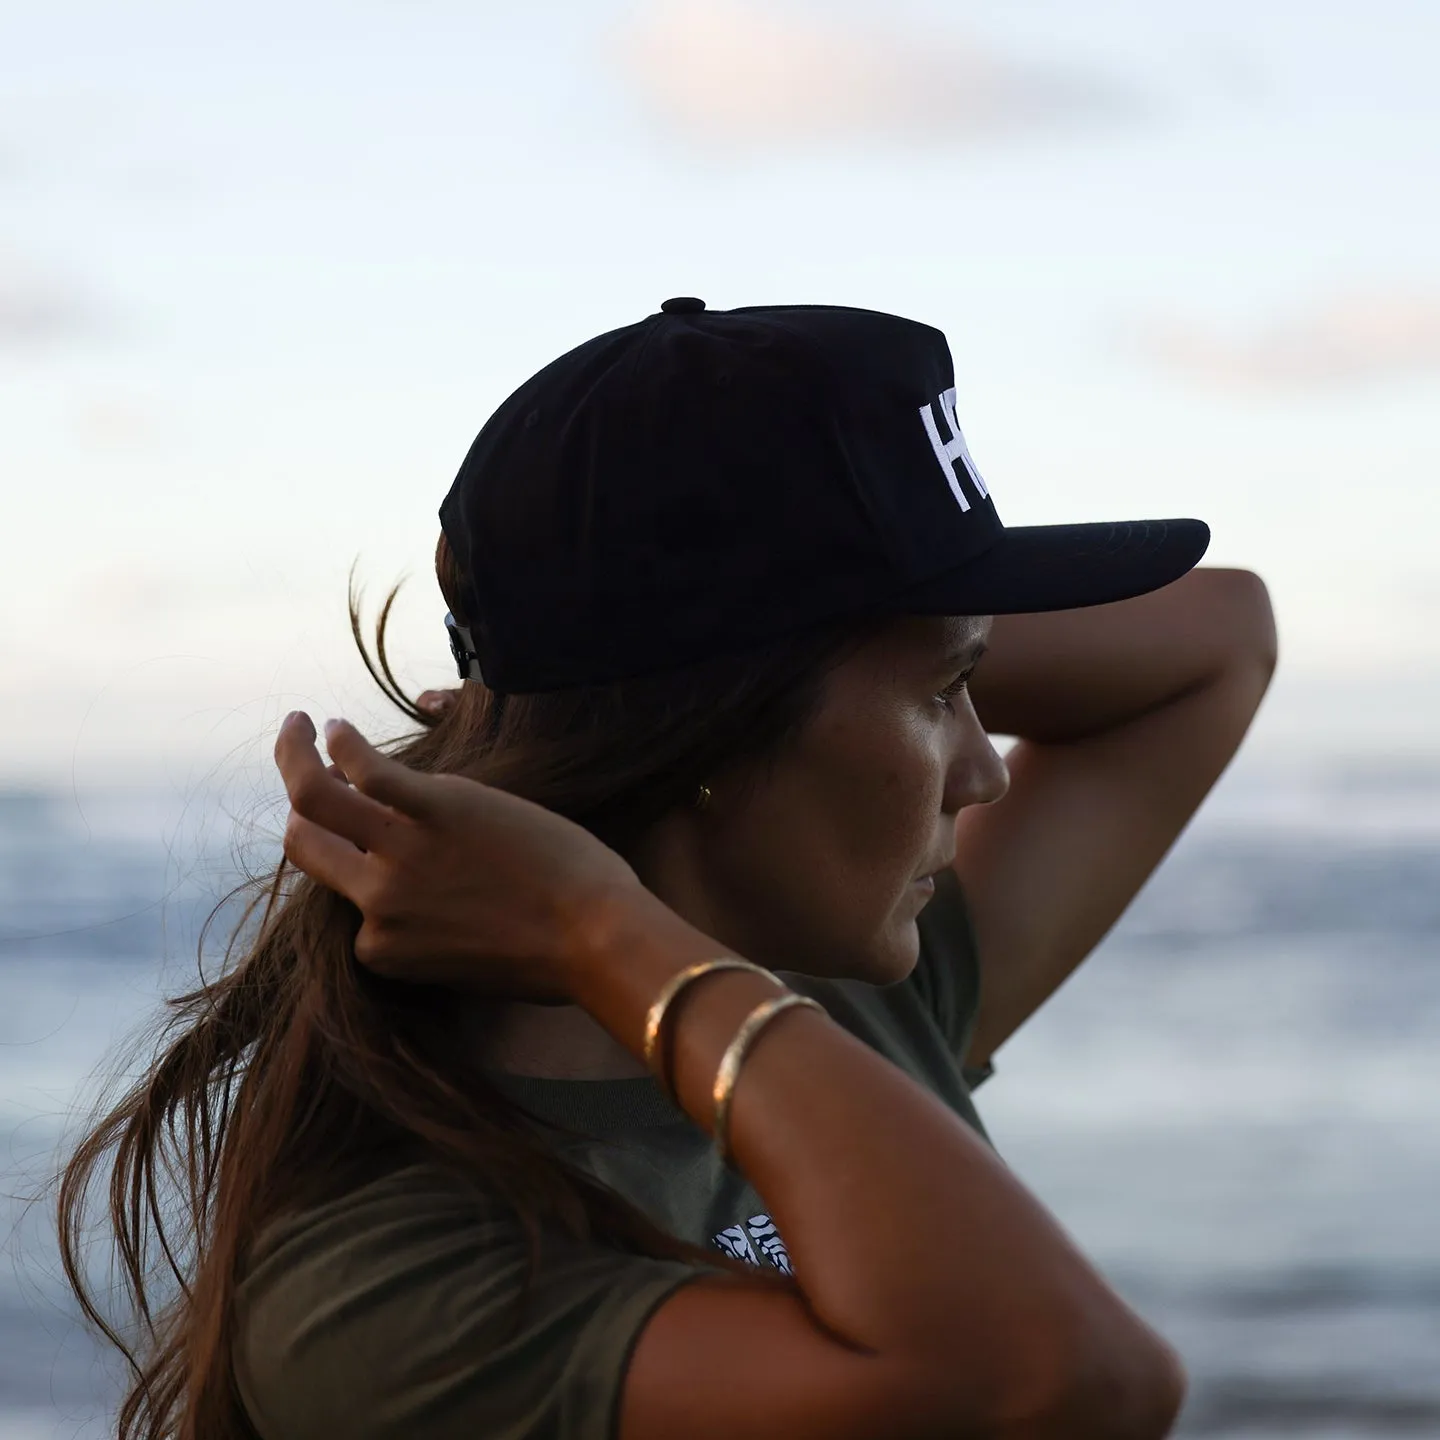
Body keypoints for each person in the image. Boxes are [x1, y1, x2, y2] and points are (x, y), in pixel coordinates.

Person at [58, 299, 1277, 1440]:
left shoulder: (844, 995)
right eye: (945, 694)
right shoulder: (383, 1282)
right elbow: (1070, 1381)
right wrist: (603, 925)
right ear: (725, 729)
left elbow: (1220, 636)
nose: (984, 770)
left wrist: (826, 656)